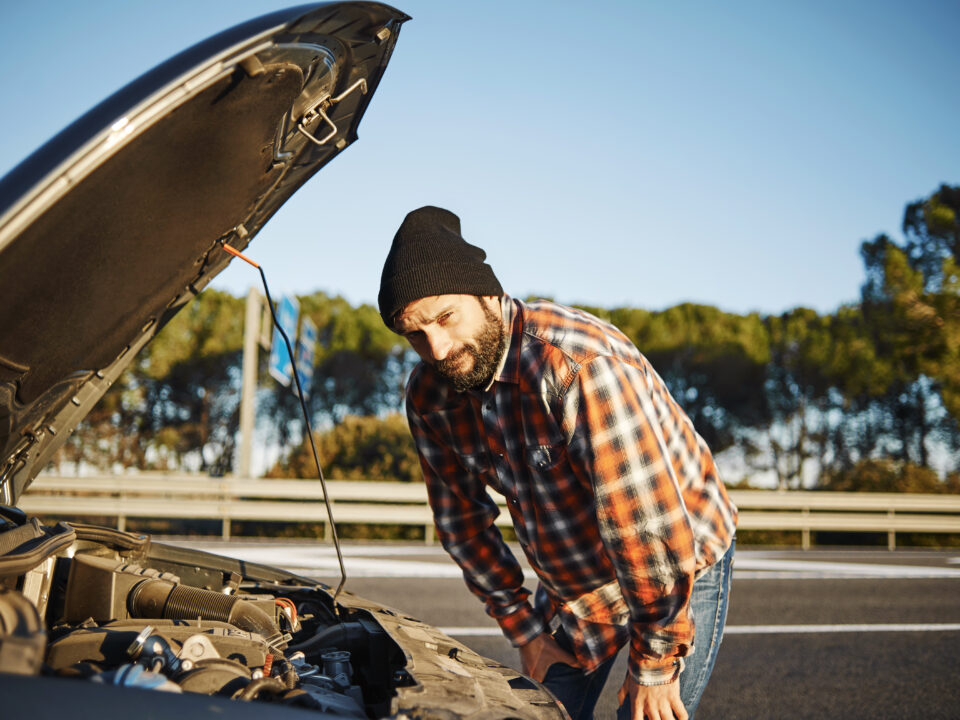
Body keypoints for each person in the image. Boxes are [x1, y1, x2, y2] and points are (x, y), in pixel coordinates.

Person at [378, 206, 737, 720]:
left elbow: (644, 529)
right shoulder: (430, 396)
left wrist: (655, 664)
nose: (436, 348)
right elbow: (462, 525)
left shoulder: (578, 368)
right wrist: (524, 629)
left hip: (675, 557)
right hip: (576, 586)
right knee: (542, 713)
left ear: (488, 297)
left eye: (445, 318)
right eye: (415, 334)